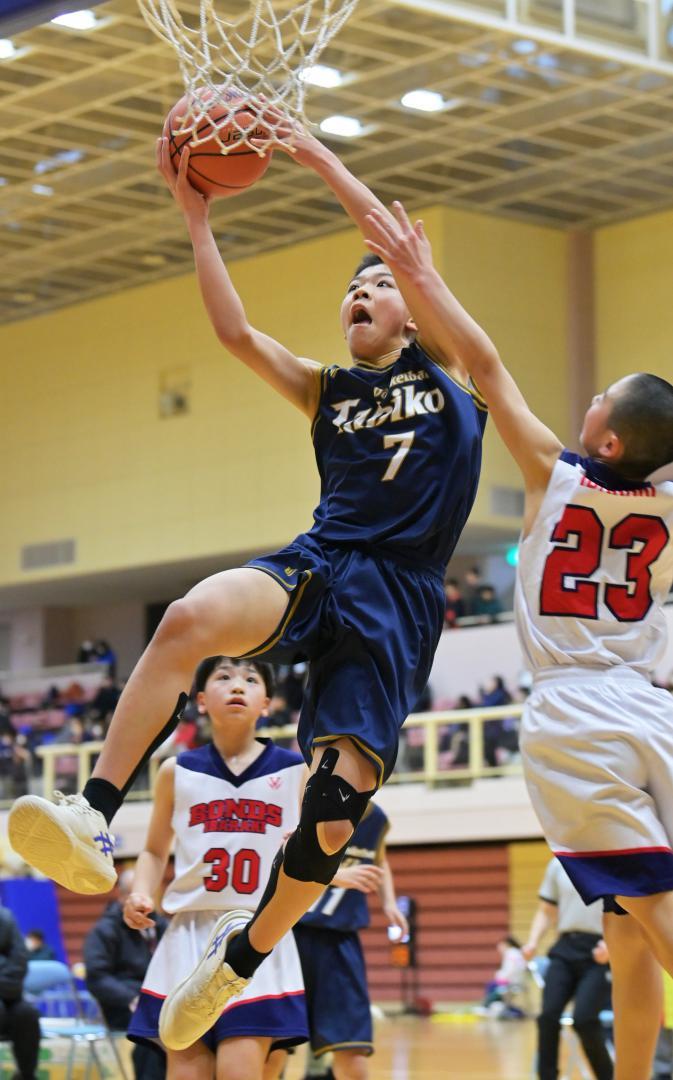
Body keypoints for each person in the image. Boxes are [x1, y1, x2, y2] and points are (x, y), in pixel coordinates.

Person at [8, 123, 487, 1052]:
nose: (361, 289)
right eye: (350, 285)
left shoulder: (453, 375)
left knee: (329, 817)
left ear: (414, 310)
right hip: (322, 561)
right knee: (189, 617)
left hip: (400, 600)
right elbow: (230, 332)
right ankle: (91, 815)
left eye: (378, 283)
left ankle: (237, 962)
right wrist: (196, 220)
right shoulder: (327, 388)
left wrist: (313, 156)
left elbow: (395, 248)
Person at [355, 200, 673, 1080]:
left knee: (653, 914)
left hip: (579, 715)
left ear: (604, 437)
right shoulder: (670, 507)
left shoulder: (557, 473)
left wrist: (419, 275)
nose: (589, 396)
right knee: (632, 933)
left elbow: (483, 364)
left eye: (600, 397)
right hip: (655, 713)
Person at [125, 655, 309, 1076]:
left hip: (258, 932)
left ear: (267, 703)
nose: (238, 685)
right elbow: (155, 850)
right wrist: (142, 891)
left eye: (250, 678)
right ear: (202, 700)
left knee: (239, 1069)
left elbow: (318, 851)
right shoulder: (177, 772)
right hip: (189, 933)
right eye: (224, 677)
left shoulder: (297, 771)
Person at [266, 800, 406, 1080]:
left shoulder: (377, 818)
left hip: (341, 941)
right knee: (272, 1052)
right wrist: (338, 875)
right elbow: (285, 854)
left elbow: (379, 859)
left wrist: (389, 902)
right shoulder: (307, 801)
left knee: (352, 1053)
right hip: (289, 935)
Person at [523, 859, 613, 1079]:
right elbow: (546, 910)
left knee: (584, 1020)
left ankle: (608, 1076)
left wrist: (612, 944)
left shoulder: (612, 858)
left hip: (600, 951)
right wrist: (533, 941)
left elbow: (629, 910)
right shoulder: (557, 864)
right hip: (565, 948)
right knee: (547, 1017)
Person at [84, 866, 167, 1080]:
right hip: (122, 1006)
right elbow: (96, 977)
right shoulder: (105, 930)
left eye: (149, 895)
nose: (144, 902)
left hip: (160, 1001)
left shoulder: (163, 926)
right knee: (151, 1028)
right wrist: (131, 998)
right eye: (137, 896)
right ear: (123, 897)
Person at [0, 903, 40, 1080]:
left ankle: (26, 1075)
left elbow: (19, 960)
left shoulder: (5, 918)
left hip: (7, 992)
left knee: (27, 1014)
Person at [478, 933, 527, 1018]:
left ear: (506, 945)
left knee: (492, 986)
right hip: (517, 981)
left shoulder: (511, 953)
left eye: (500, 946)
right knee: (494, 986)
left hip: (512, 982)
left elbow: (510, 970)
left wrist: (500, 976)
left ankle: (485, 1007)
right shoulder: (517, 952)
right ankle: (492, 1007)